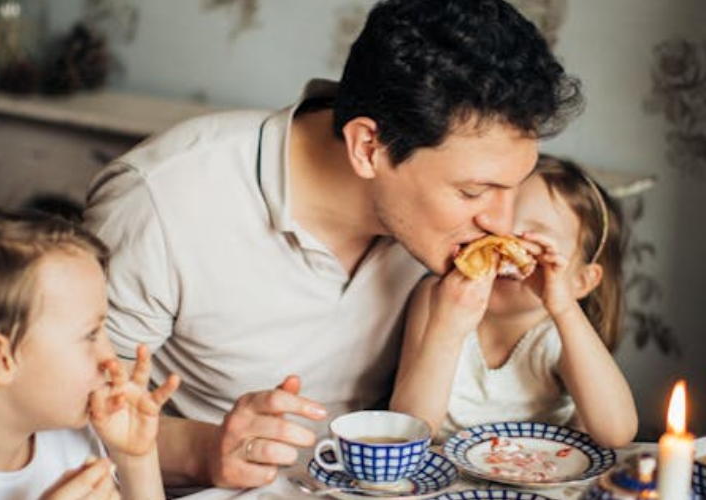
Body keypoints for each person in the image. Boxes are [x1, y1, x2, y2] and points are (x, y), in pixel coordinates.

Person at [83, 0, 583, 488]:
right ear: (368, 146)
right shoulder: (162, 201)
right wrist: (203, 449)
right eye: (472, 191)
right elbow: (71, 417)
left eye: (513, 185)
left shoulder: (451, 230)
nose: (500, 221)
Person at [0, 206, 180, 500]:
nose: (111, 360)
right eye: (90, 335)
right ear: (1, 359)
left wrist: (135, 459)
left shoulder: (71, 435)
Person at [390, 155, 638, 448]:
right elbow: (407, 431)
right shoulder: (438, 300)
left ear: (580, 281)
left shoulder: (559, 334)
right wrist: (447, 329)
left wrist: (565, 309)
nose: (508, 248)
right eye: (497, 231)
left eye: (534, 239)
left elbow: (617, 433)